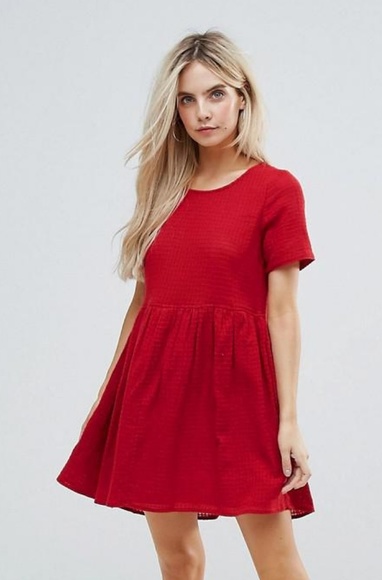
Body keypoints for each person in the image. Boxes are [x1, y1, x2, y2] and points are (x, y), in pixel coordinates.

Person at [55, 29, 317, 579]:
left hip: (242, 391)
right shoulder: (161, 189)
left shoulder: (275, 190)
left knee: (276, 562)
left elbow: (283, 311)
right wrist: (108, 393)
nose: (203, 112)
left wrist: (289, 420)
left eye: (216, 94)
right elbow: (142, 302)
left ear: (242, 97)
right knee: (178, 557)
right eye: (187, 99)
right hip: (157, 386)